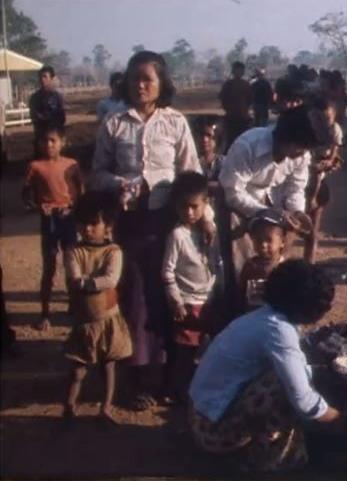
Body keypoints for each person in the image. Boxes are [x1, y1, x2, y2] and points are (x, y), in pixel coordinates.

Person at [91, 50, 212, 411]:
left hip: (170, 224)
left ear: (162, 83)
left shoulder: (175, 123)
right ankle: (140, 378)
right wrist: (120, 183)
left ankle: (174, 378)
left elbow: (193, 177)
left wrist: (205, 218)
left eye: (147, 79)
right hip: (131, 226)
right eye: (134, 79)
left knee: (172, 296)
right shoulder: (114, 123)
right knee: (138, 299)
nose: (140, 85)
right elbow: (96, 174)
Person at [189, 260, 345, 472]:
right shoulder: (278, 331)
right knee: (284, 385)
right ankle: (273, 460)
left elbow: (297, 348)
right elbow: (304, 401)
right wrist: (337, 418)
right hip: (213, 431)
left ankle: (259, 449)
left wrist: (339, 330)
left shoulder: (265, 317)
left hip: (202, 415)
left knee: (292, 370)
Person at [218, 105, 317, 316]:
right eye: (298, 148)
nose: (301, 154)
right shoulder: (247, 145)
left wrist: (296, 212)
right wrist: (270, 214)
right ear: (284, 140)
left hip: (270, 202)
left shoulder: (301, 155)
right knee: (242, 266)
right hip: (237, 206)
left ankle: (275, 307)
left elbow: (295, 188)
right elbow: (233, 193)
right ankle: (240, 313)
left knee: (275, 260)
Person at [63, 191, 132, 423]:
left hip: (108, 318)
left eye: (94, 223)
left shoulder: (114, 251)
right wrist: (91, 282)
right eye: (83, 223)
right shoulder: (73, 251)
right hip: (85, 321)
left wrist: (86, 282)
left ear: (108, 225)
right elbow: (74, 278)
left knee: (109, 366)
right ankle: (69, 406)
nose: (88, 229)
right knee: (77, 370)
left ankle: (106, 407)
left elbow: (111, 280)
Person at [162, 172, 220, 402]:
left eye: (195, 207)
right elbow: (167, 271)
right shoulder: (177, 235)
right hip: (187, 303)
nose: (189, 213)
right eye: (184, 207)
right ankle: (179, 392)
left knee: (209, 350)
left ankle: (204, 391)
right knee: (185, 352)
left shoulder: (210, 231)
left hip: (209, 300)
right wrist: (176, 301)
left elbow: (217, 264)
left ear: (205, 204)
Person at [23, 125, 83, 331]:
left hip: (68, 219)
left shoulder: (72, 165)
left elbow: (80, 192)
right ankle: (45, 313)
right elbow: (26, 196)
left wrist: (74, 209)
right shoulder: (35, 166)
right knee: (49, 266)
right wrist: (39, 206)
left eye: (53, 141)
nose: (48, 145)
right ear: (39, 144)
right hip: (49, 221)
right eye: (44, 141)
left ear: (62, 142)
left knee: (72, 264)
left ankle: (74, 306)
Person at [304, 97, 343, 263]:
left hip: (318, 169)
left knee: (313, 228)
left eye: (327, 119)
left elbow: (335, 150)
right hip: (305, 172)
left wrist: (330, 160)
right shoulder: (305, 131)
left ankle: (309, 262)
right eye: (320, 119)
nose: (324, 123)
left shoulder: (334, 130)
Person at [238, 214, 286, 312]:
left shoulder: (285, 268)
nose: (263, 245)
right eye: (258, 240)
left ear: (282, 242)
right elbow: (240, 295)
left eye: (269, 240)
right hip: (252, 317)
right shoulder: (250, 266)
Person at [29, 66, 66, 157]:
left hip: (55, 138)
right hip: (41, 139)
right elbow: (34, 117)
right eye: (40, 77)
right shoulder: (34, 98)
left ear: (52, 78)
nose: (42, 79)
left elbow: (62, 117)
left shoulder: (57, 97)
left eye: (45, 76)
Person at [219, 61, 253, 152]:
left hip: (242, 118)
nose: (239, 72)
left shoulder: (246, 85)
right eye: (237, 70)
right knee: (230, 141)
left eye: (241, 70)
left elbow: (250, 99)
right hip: (231, 117)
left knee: (243, 141)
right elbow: (223, 99)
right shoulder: (228, 85)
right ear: (233, 71)